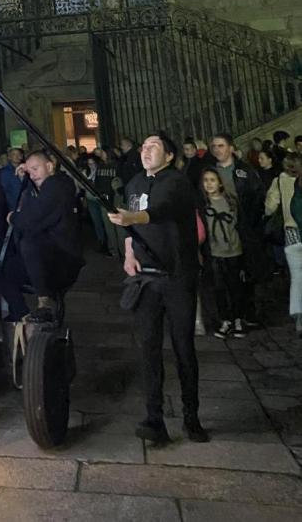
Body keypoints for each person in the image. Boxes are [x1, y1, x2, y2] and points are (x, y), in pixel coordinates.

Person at [109, 133, 208, 445]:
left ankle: (191, 416)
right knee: (148, 350)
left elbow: (161, 210)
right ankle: (154, 418)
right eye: (143, 146)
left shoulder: (176, 182)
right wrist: (128, 253)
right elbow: (132, 227)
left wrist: (132, 216)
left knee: (183, 349)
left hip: (177, 277)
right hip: (146, 280)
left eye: (153, 146)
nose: (145, 150)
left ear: (168, 155)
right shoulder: (135, 182)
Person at [0, 151, 84, 321]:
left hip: (61, 259)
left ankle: (45, 301)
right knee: (2, 272)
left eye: (36, 169)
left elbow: (31, 218)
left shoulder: (58, 186)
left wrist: (12, 217)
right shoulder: (41, 188)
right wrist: (30, 174)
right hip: (41, 257)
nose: (32, 174)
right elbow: (32, 208)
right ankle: (22, 315)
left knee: (29, 243)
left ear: (50, 166)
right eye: (29, 171)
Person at [209, 133, 268, 316]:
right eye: (214, 146)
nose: (217, 150)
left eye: (221, 145)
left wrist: (248, 222)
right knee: (223, 276)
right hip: (219, 231)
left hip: (243, 228)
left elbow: (258, 196)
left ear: (231, 148)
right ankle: (230, 313)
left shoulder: (244, 170)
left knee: (246, 272)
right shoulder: (210, 172)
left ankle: (248, 311)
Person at [199, 168, 246, 339]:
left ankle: (239, 318)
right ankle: (225, 319)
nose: (209, 183)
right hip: (214, 252)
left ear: (219, 182)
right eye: (206, 180)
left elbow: (239, 225)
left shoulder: (230, 202)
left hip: (233, 250)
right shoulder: (203, 204)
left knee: (235, 286)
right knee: (219, 287)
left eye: (212, 180)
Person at [265, 154, 302, 335]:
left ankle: (298, 318)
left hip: (291, 231)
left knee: (296, 276)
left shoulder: (279, 181)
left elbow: (270, 206)